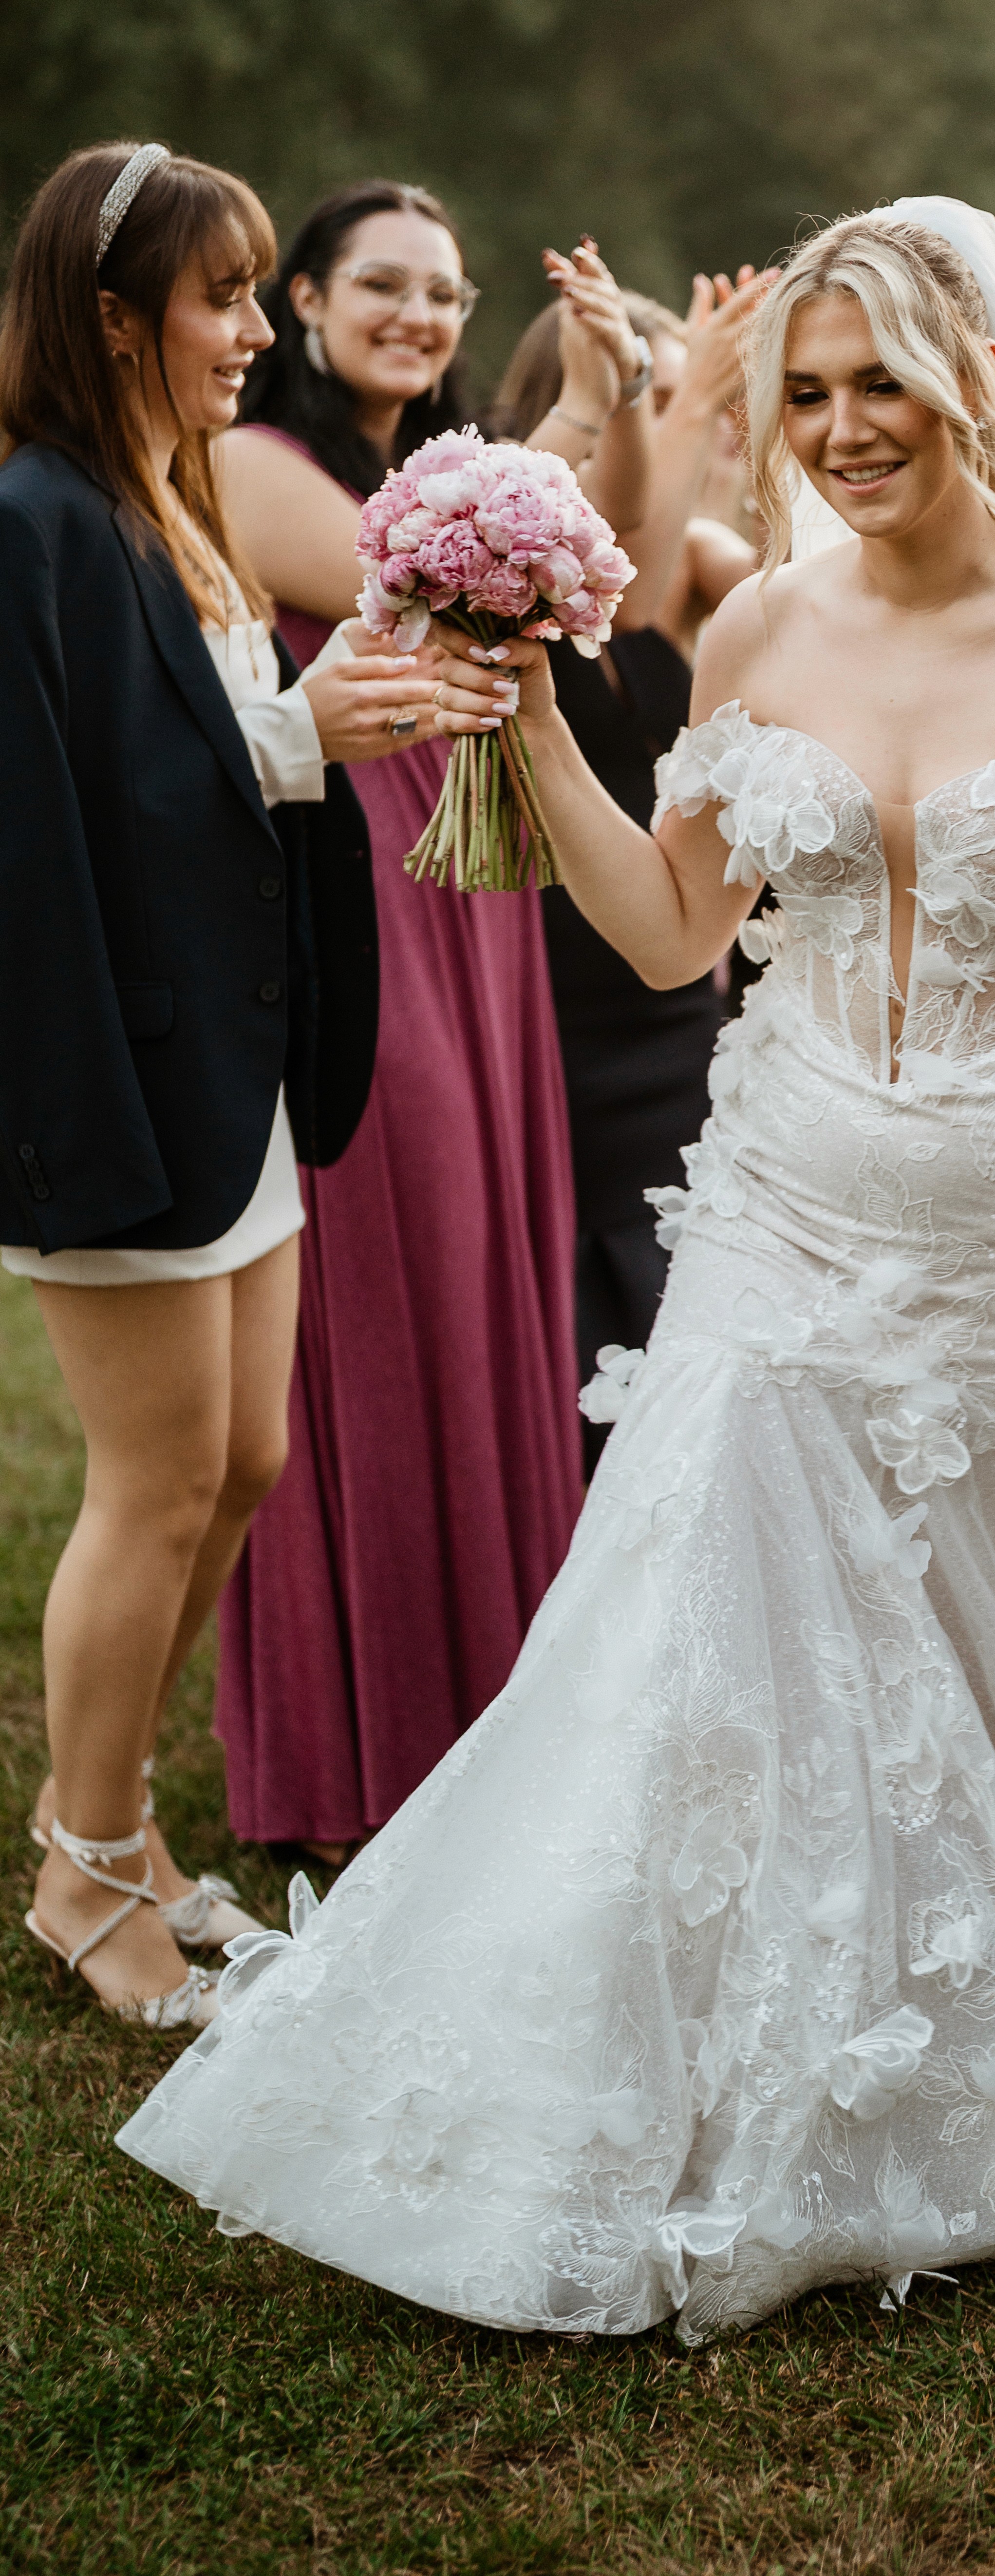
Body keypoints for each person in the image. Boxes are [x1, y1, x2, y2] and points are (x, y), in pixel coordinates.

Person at [116, 200, 995, 2341]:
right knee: (698, 1641)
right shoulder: (757, 635)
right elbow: (671, 932)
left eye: (885, 391)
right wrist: (529, 723)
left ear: (969, 384)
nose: (844, 432)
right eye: (813, 394)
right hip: (782, 1208)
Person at [0, 142, 412, 2024]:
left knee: (239, 1462)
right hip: (120, 1074)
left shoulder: (165, 506)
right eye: (220, 297)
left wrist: (310, 736)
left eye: (259, 293)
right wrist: (297, 730)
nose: (257, 331)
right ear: (109, 320)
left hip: (235, 1061)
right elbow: (55, 828)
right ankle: (82, 1883)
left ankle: (129, 1834)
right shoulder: (36, 520)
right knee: (156, 1485)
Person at [209, 181, 584, 1862]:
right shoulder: (259, 465)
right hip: (355, 879)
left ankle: (507, 1699)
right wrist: (535, 492)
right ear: (301, 298)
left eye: (445, 291)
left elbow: (598, 592)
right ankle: (357, 1733)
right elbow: (422, 593)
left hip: (479, 882)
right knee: (388, 1261)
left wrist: (619, 420)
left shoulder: (443, 477)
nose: (419, 316)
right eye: (381, 283)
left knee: (495, 1257)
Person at [494, 270, 771, 1445]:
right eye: (634, 402)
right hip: (551, 984)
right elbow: (602, 579)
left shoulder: (701, 562)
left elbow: (668, 579)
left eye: (677, 403)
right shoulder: (509, 567)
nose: (668, 431)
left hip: (666, 1002)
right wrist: (690, 382)